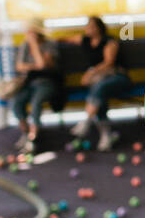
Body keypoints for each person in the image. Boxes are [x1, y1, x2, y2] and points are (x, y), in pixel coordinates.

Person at [67, 16, 130, 152]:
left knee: (100, 88)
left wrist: (90, 73)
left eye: (92, 26)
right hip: (100, 81)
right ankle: (105, 136)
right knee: (100, 93)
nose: (88, 29)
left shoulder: (109, 42)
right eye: (87, 26)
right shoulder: (85, 40)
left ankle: (87, 121)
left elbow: (109, 62)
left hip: (118, 78)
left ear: (99, 28)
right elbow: (69, 39)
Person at [9, 18, 63, 154]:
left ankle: (34, 138)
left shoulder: (49, 45)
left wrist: (34, 46)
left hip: (47, 82)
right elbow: (20, 66)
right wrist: (34, 66)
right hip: (29, 83)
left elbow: (43, 65)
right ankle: (26, 132)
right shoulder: (24, 45)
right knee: (16, 102)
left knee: (36, 103)